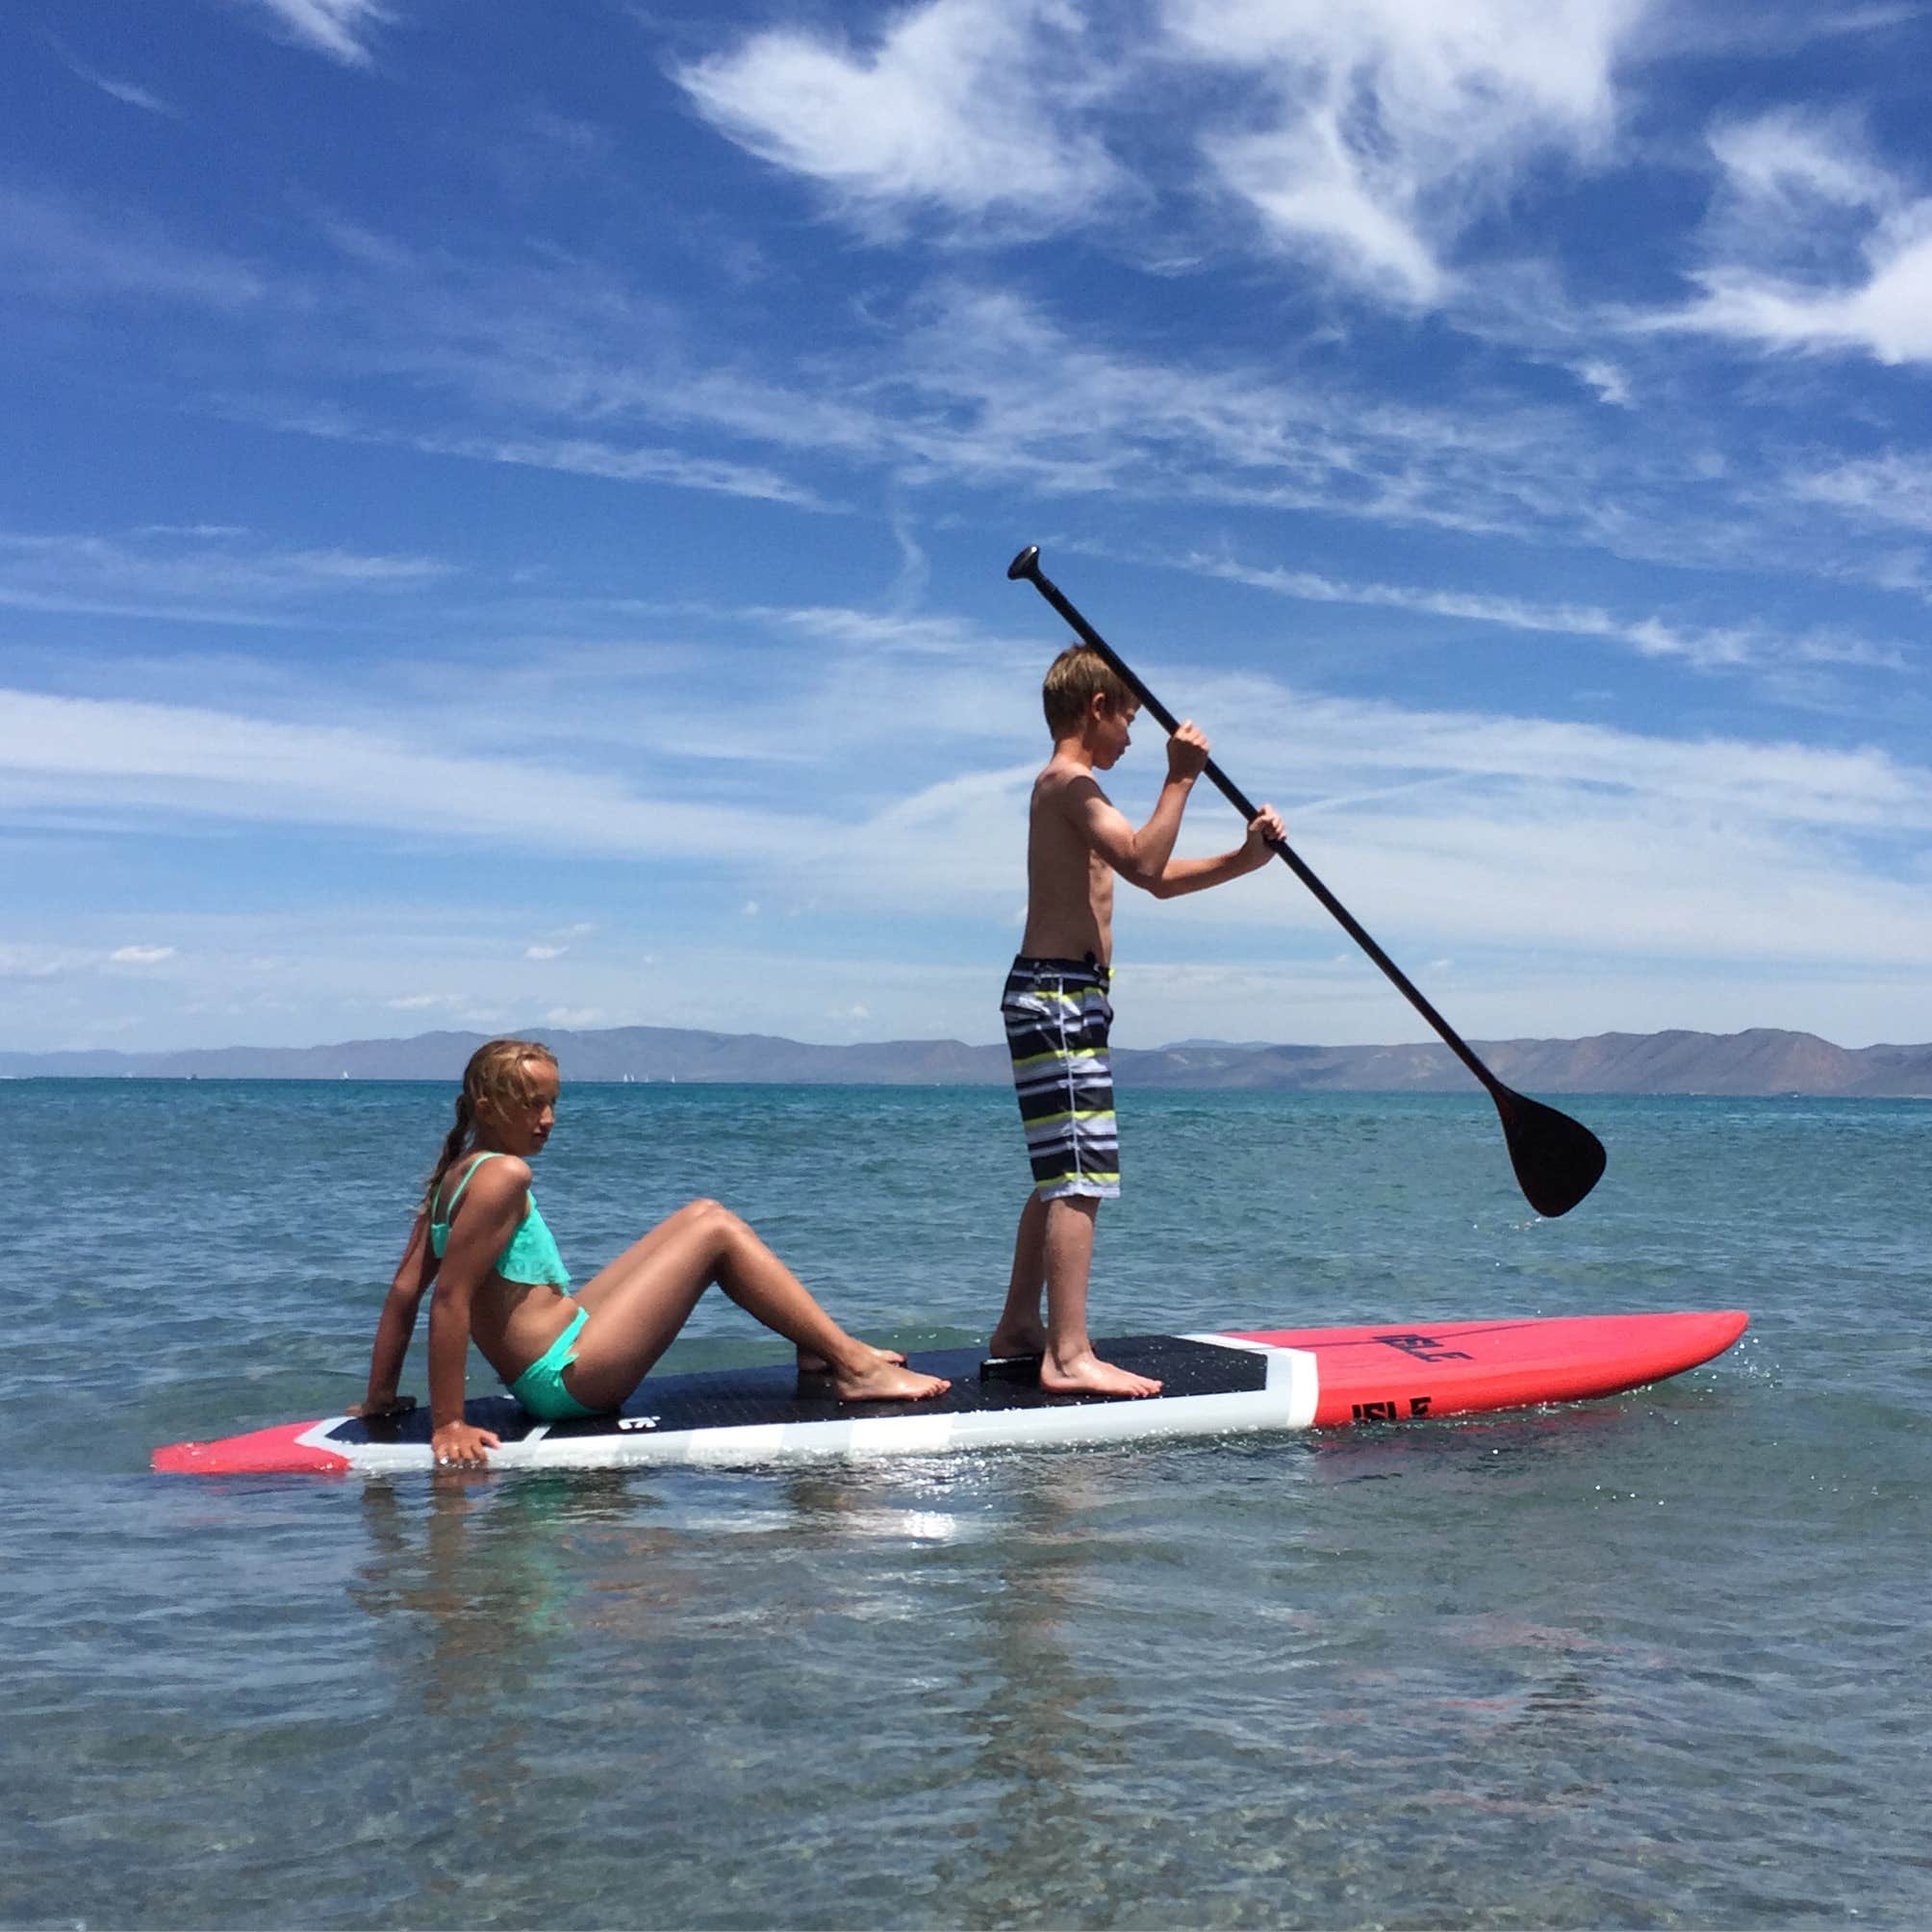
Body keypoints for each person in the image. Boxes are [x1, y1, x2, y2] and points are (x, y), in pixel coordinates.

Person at [356, 1037, 949, 1466]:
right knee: (715, 1235)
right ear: (487, 1110)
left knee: (703, 1214)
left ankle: (822, 1351)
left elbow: (404, 1290)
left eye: (553, 1102)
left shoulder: (454, 1176)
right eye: (532, 1105)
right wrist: (448, 1423)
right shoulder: (503, 1177)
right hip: (563, 1381)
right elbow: (449, 1301)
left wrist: (381, 1399)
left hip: (561, 1346)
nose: (548, 1120)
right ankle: (853, 1367)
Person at [991, 647, 1286, 1398]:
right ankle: (1069, 1354)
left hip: (1067, 996)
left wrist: (1245, 859)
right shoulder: (1068, 783)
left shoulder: (1075, 791)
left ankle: (1022, 1329)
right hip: (1058, 996)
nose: (1132, 735)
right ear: (1097, 710)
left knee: (1059, 1174)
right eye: (1127, 718)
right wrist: (1181, 776)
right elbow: (1146, 860)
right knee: (1081, 1176)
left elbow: (1149, 878)